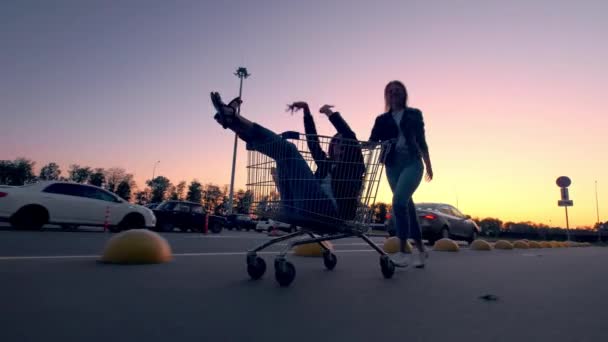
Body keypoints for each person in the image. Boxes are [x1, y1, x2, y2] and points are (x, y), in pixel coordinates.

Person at [210, 92, 365, 230]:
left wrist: (329, 112)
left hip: (329, 212)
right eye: (336, 142)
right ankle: (232, 120)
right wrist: (307, 111)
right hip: (300, 206)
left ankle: (233, 119)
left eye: (344, 143)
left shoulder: (354, 167)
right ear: (331, 146)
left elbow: (349, 135)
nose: (340, 145)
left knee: (287, 151)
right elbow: (313, 142)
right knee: (282, 156)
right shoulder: (325, 164)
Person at [368, 81, 433, 268]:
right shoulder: (382, 119)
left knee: (398, 202)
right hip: (392, 165)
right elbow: (373, 140)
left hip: (412, 163)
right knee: (407, 206)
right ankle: (420, 249)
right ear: (386, 96)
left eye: (398, 90)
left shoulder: (414, 114)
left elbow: (421, 140)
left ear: (404, 94)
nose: (394, 93)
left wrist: (428, 165)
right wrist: (361, 146)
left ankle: (404, 249)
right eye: (390, 91)